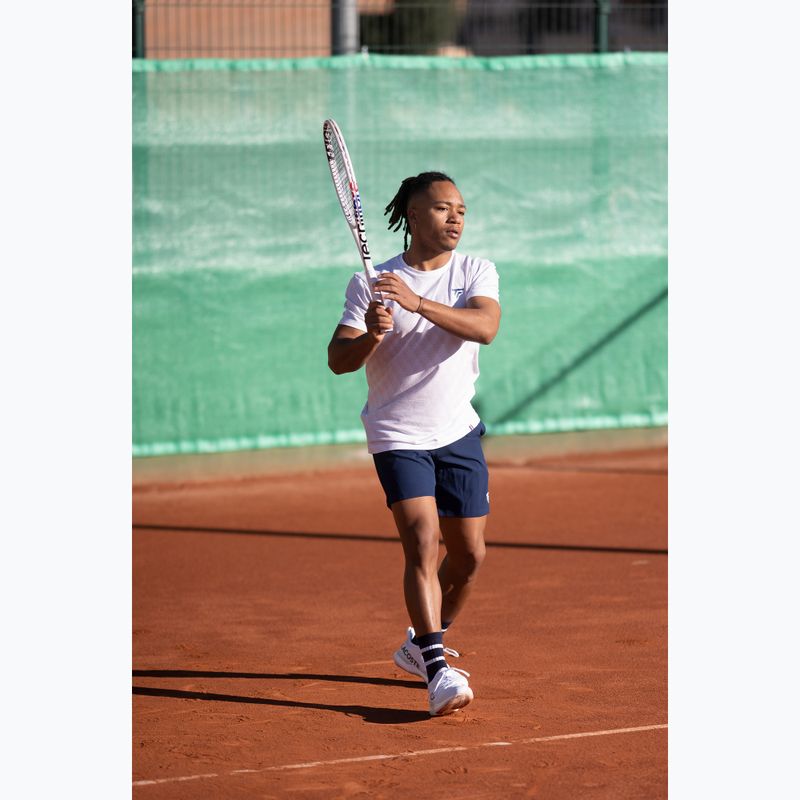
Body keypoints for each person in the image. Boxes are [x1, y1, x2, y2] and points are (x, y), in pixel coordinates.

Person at [327, 172, 501, 716]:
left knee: (469, 557)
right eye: (443, 208)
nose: (455, 219)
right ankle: (437, 668)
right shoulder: (370, 283)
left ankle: (418, 644)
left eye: (462, 210)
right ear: (412, 215)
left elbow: (485, 327)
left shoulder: (476, 270)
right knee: (424, 541)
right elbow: (339, 359)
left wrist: (416, 304)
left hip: (457, 431)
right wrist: (374, 332)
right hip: (396, 433)